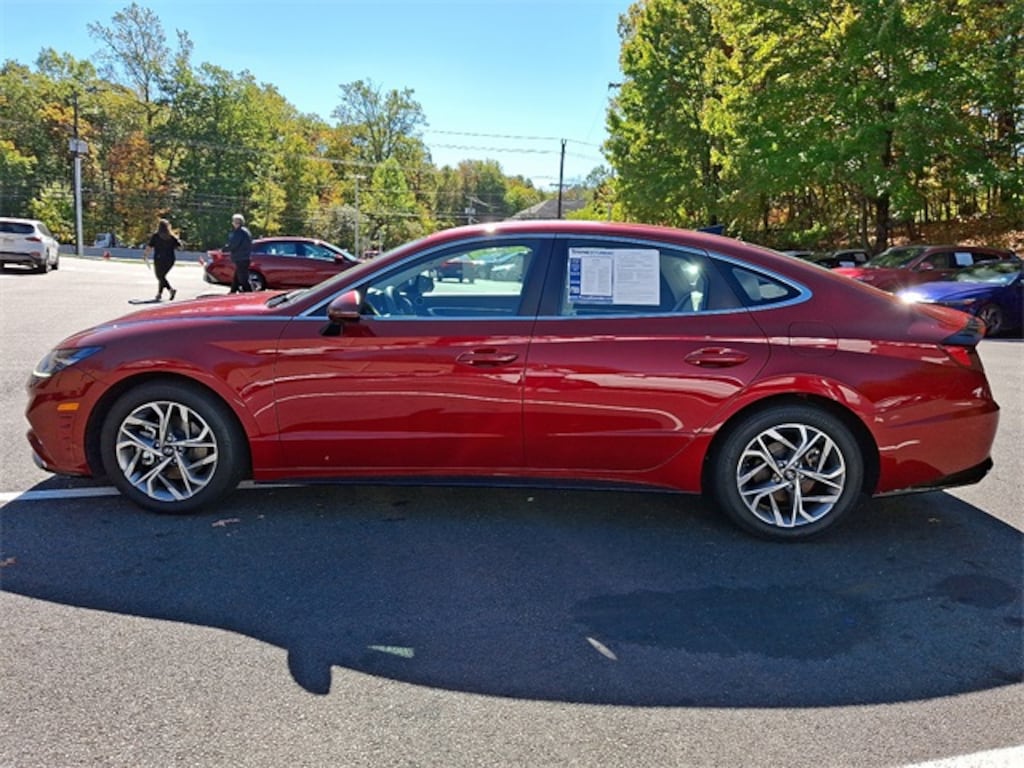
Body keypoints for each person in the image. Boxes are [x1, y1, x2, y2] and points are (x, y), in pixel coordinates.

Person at [143, 218, 181, 301]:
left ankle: (170, 290)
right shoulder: (171, 237)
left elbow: (149, 247)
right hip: (170, 259)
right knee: (162, 276)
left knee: (160, 276)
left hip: (159, 258)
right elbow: (179, 246)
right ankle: (159, 294)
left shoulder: (156, 236)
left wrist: (145, 255)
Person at [226, 213, 253, 292]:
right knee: (237, 278)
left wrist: (223, 250)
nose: (232, 223)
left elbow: (233, 245)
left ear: (237, 222)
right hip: (244, 257)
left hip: (241, 258)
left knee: (243, 280)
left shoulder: (239, 232)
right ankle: (232, 292)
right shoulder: (245, 231)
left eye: (233, 221)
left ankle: (250, 296)